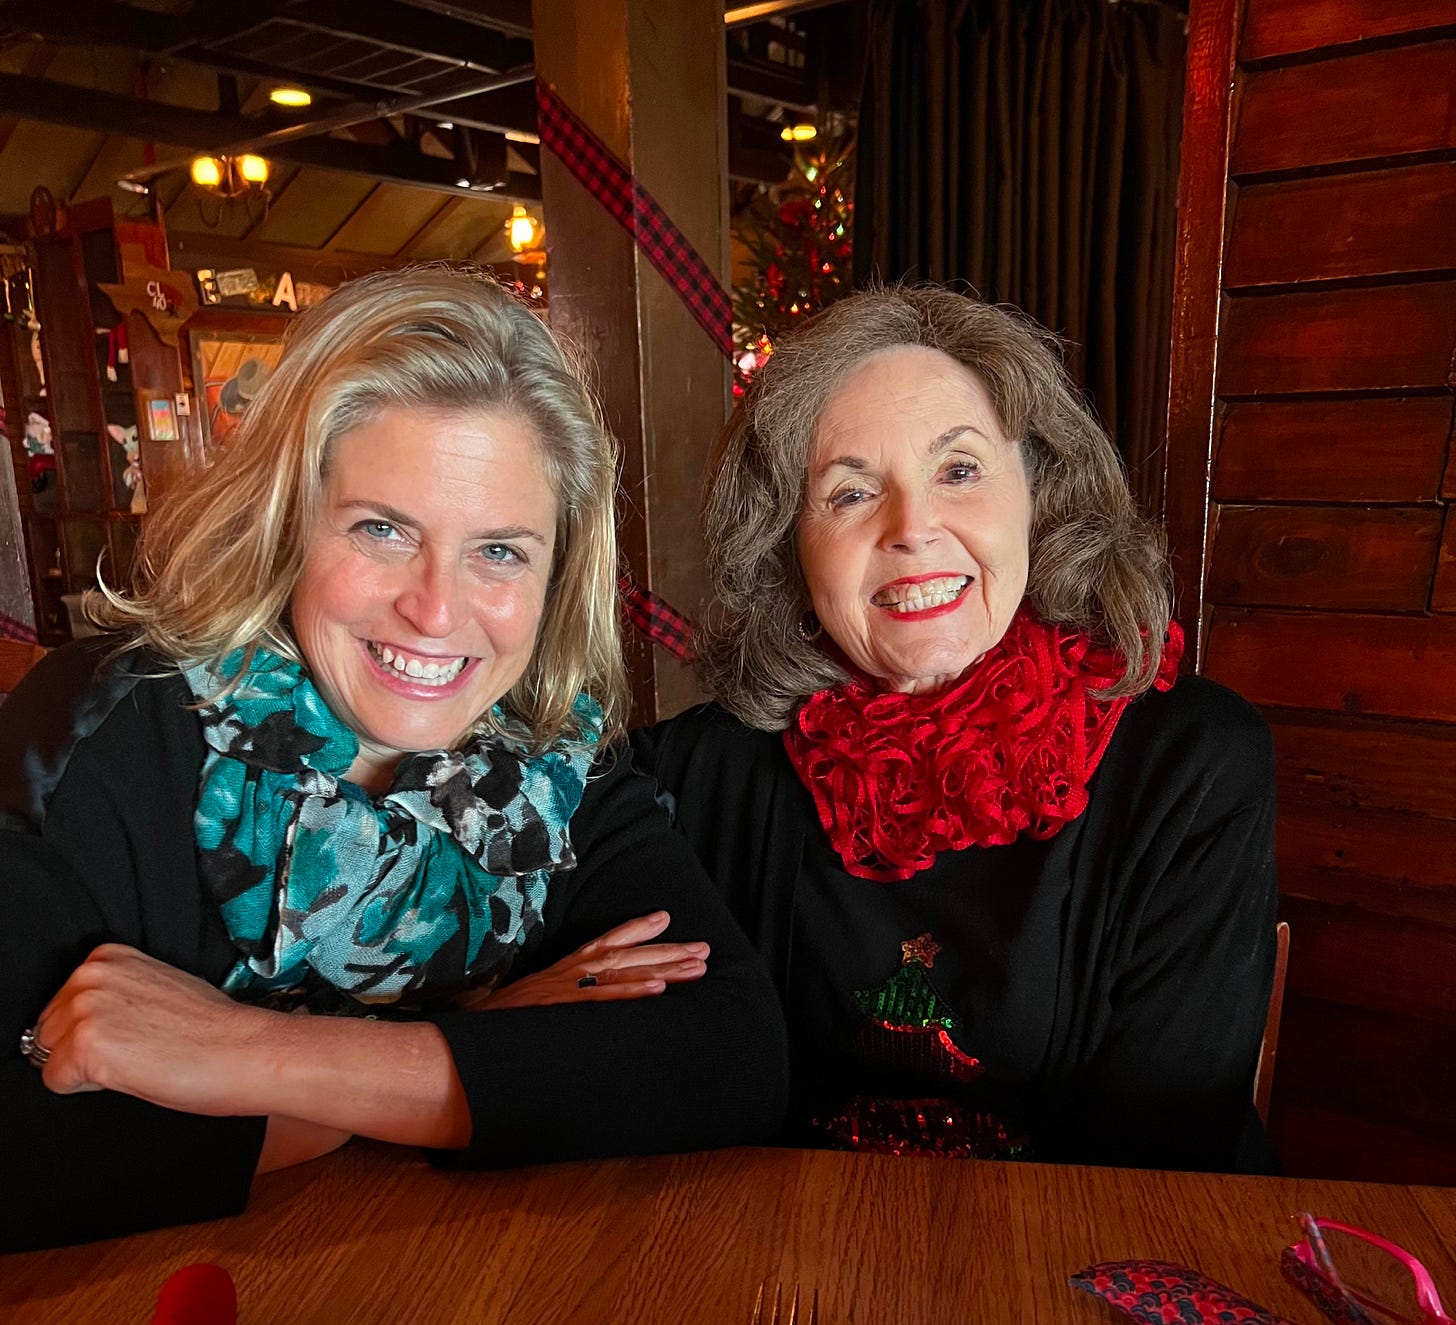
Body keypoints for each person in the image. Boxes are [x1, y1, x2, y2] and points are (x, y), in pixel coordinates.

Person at [0, 267, 787, 1253]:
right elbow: (21, 1147)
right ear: (287, 519)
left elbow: (729, 1051)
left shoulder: (554, 768)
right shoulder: (102, 727)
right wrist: (493, 1039)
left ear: (557, 571)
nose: (436, 609)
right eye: (381, 529)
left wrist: (255, 1054)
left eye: (499, 550)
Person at [631, 286, 1277, 1174]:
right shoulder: (703, 769)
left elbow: (1163, 1156)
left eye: (960, 470)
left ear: (1039, 496)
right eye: (851, 492)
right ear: (790, 543)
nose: (912, 528)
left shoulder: (1192, 764)